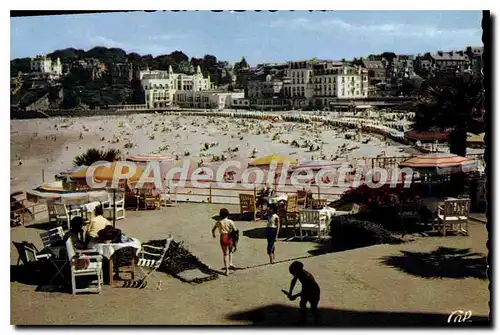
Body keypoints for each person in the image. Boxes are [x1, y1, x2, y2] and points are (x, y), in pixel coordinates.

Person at [211, 208, 236, 276]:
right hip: (229, 237)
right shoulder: (230, 221)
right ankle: (230, 263)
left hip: (223, 237)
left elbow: (213, 229)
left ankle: (227, 270)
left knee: (225, 254)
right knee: (230, 251)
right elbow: (235, 230)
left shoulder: (219, 222)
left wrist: (214, 235)